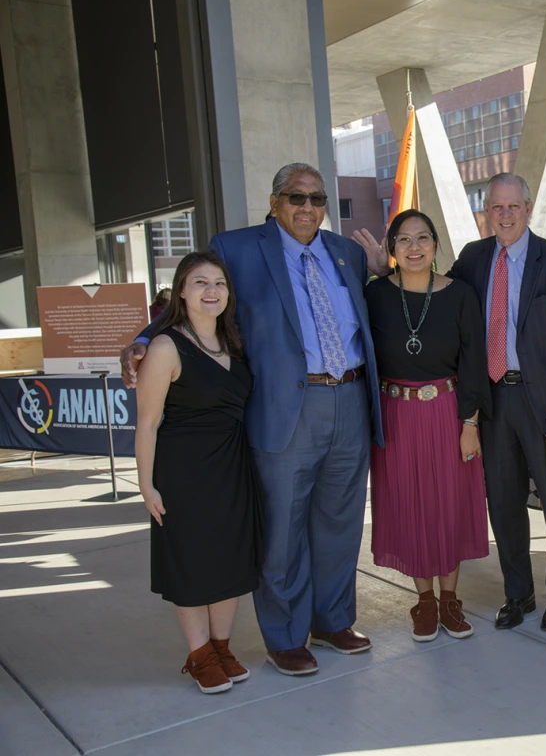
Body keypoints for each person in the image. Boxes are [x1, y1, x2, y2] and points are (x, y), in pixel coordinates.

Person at [122, 163, 388, 677]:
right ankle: (285, 636)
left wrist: (386, 269)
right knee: (283, 527)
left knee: (339, 522)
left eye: (316, 199)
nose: (307, 208)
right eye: (295, 198)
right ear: (274, 202)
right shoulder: (238, 248)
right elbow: (191, 291)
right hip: (284, 407)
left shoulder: (347, 253)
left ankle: (332, 621)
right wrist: (142, 340)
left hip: (351, 398)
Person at [448, 173, 546, 632]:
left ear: (528, 209)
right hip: (493, 403)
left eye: (513, 207)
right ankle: (518, 594)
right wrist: (383, 269)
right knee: (504, 503)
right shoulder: (472, 258)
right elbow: (437, 297)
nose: (505, 215)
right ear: (486, 212)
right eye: (496, 207)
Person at [135, 251, 259, 694]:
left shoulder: (235, 343)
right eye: (200, 282)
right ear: (181, 291)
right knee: (190, 566)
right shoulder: (167, 346)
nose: (211, 291)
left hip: (233, 468)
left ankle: (222, 648)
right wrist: (146, 483)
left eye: (220, 283)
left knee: (229, 562)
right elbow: (147, 422)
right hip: (183, 473)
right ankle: (199, 655)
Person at [365, 210, 491, 642]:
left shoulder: (460, 295)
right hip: (395, 414)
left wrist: (470, 422)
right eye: (403, 240)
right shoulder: (375, 295)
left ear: (436, 245)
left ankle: (451, 600)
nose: (414, 247)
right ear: (391, 249)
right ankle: (423, 601)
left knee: (448, 503)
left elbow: (474, 362)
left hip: (448, 410)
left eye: (422, 238)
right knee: (409, 503)